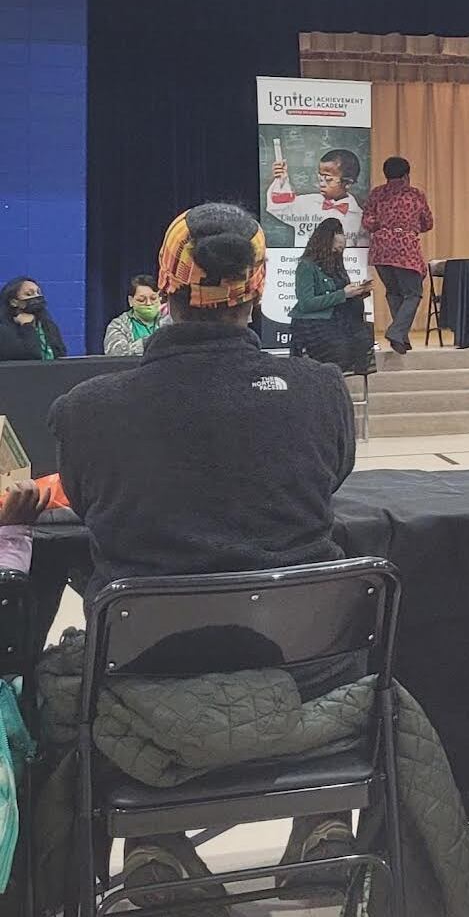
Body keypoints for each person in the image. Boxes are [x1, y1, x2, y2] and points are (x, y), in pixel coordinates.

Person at [50, 204, 358, 892]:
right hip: (307, 678)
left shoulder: (87, 410)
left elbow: (88, 503)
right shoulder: (322, 392)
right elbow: (331, 477)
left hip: (147, 686)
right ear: (256, 287)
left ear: (166, 287)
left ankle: (152, 846)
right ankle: (323, 827)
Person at [362, 155, 434, 354]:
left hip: (381, 249)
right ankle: (396, 332)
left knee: (394, 292)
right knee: (413, 293)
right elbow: (428, 222)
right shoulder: (415, 195)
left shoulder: (377, 194)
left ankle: (401, 338)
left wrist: (384, 228)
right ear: (406, 174)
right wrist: (407, 227)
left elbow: (367, 222)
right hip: (405, 249)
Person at [291, 217, 377, 376]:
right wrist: (343, 294)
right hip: (315, 323)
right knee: (342, 346)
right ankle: (333, 378)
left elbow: (343, 293)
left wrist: (359, 292)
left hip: (339, 320)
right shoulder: (307, 266)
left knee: (365, 335)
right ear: (327, 240)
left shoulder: (337, 263)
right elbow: (306, 303)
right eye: (337, 246)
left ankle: (354, 377)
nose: (340, 249)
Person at [266, 146, 366, 245]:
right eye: (320, 177)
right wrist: (282, 180)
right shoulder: (306, 203)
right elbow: (277, 208)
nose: (321, 183)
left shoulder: (359, 217)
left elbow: (361, 250)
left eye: (328, 179)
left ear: (348, 183)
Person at [0, 277, 65, 361]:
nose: (37, 297)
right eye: (29, 294)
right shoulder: (4, 329)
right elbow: (30, 356)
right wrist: (27, 326)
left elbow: (61, 353)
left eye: (38, 293)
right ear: (14, 302)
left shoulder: (48, 325)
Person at [102, 275, 164, 356]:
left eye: (153, 298)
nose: (148, 303)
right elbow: (116, 355)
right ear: (130, 301)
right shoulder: (118, 325)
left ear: (160, 298)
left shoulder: (170, 321)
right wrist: (148, 342)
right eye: (141, 300)